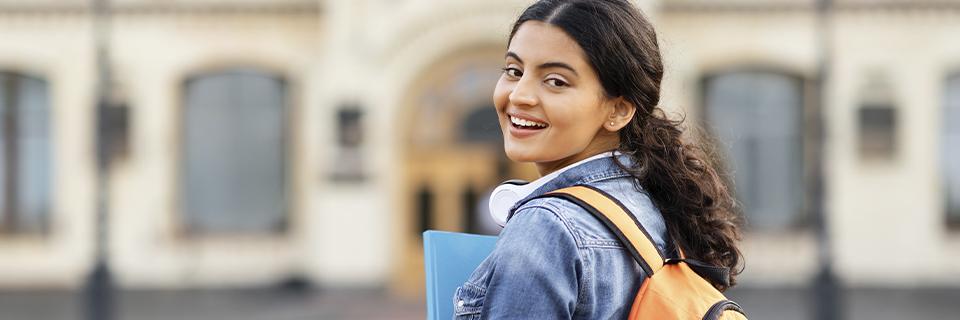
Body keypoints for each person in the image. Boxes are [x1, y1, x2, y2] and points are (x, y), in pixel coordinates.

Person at [453, 0, 744, 319]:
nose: (520, 95)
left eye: (556, 81)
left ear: (618, 110)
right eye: (514, 71)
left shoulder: (547, 227)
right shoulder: (650, 204)